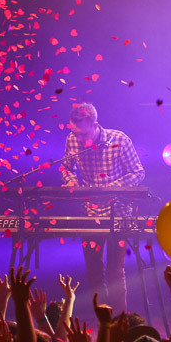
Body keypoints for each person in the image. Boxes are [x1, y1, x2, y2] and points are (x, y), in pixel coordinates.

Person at [60, 102, 145, 311]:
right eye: (76, 133)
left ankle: (120, 321)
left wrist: (111, 188)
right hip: (90, 212)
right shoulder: (72, 139)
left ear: (95, 125)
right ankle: (103, 320)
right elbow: (65, 167)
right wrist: (70, 180)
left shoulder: (120, 140)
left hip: (118, 212)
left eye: (83, 134)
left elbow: (138, 172)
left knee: (116, 271)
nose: (79, 139)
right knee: (93, 270)